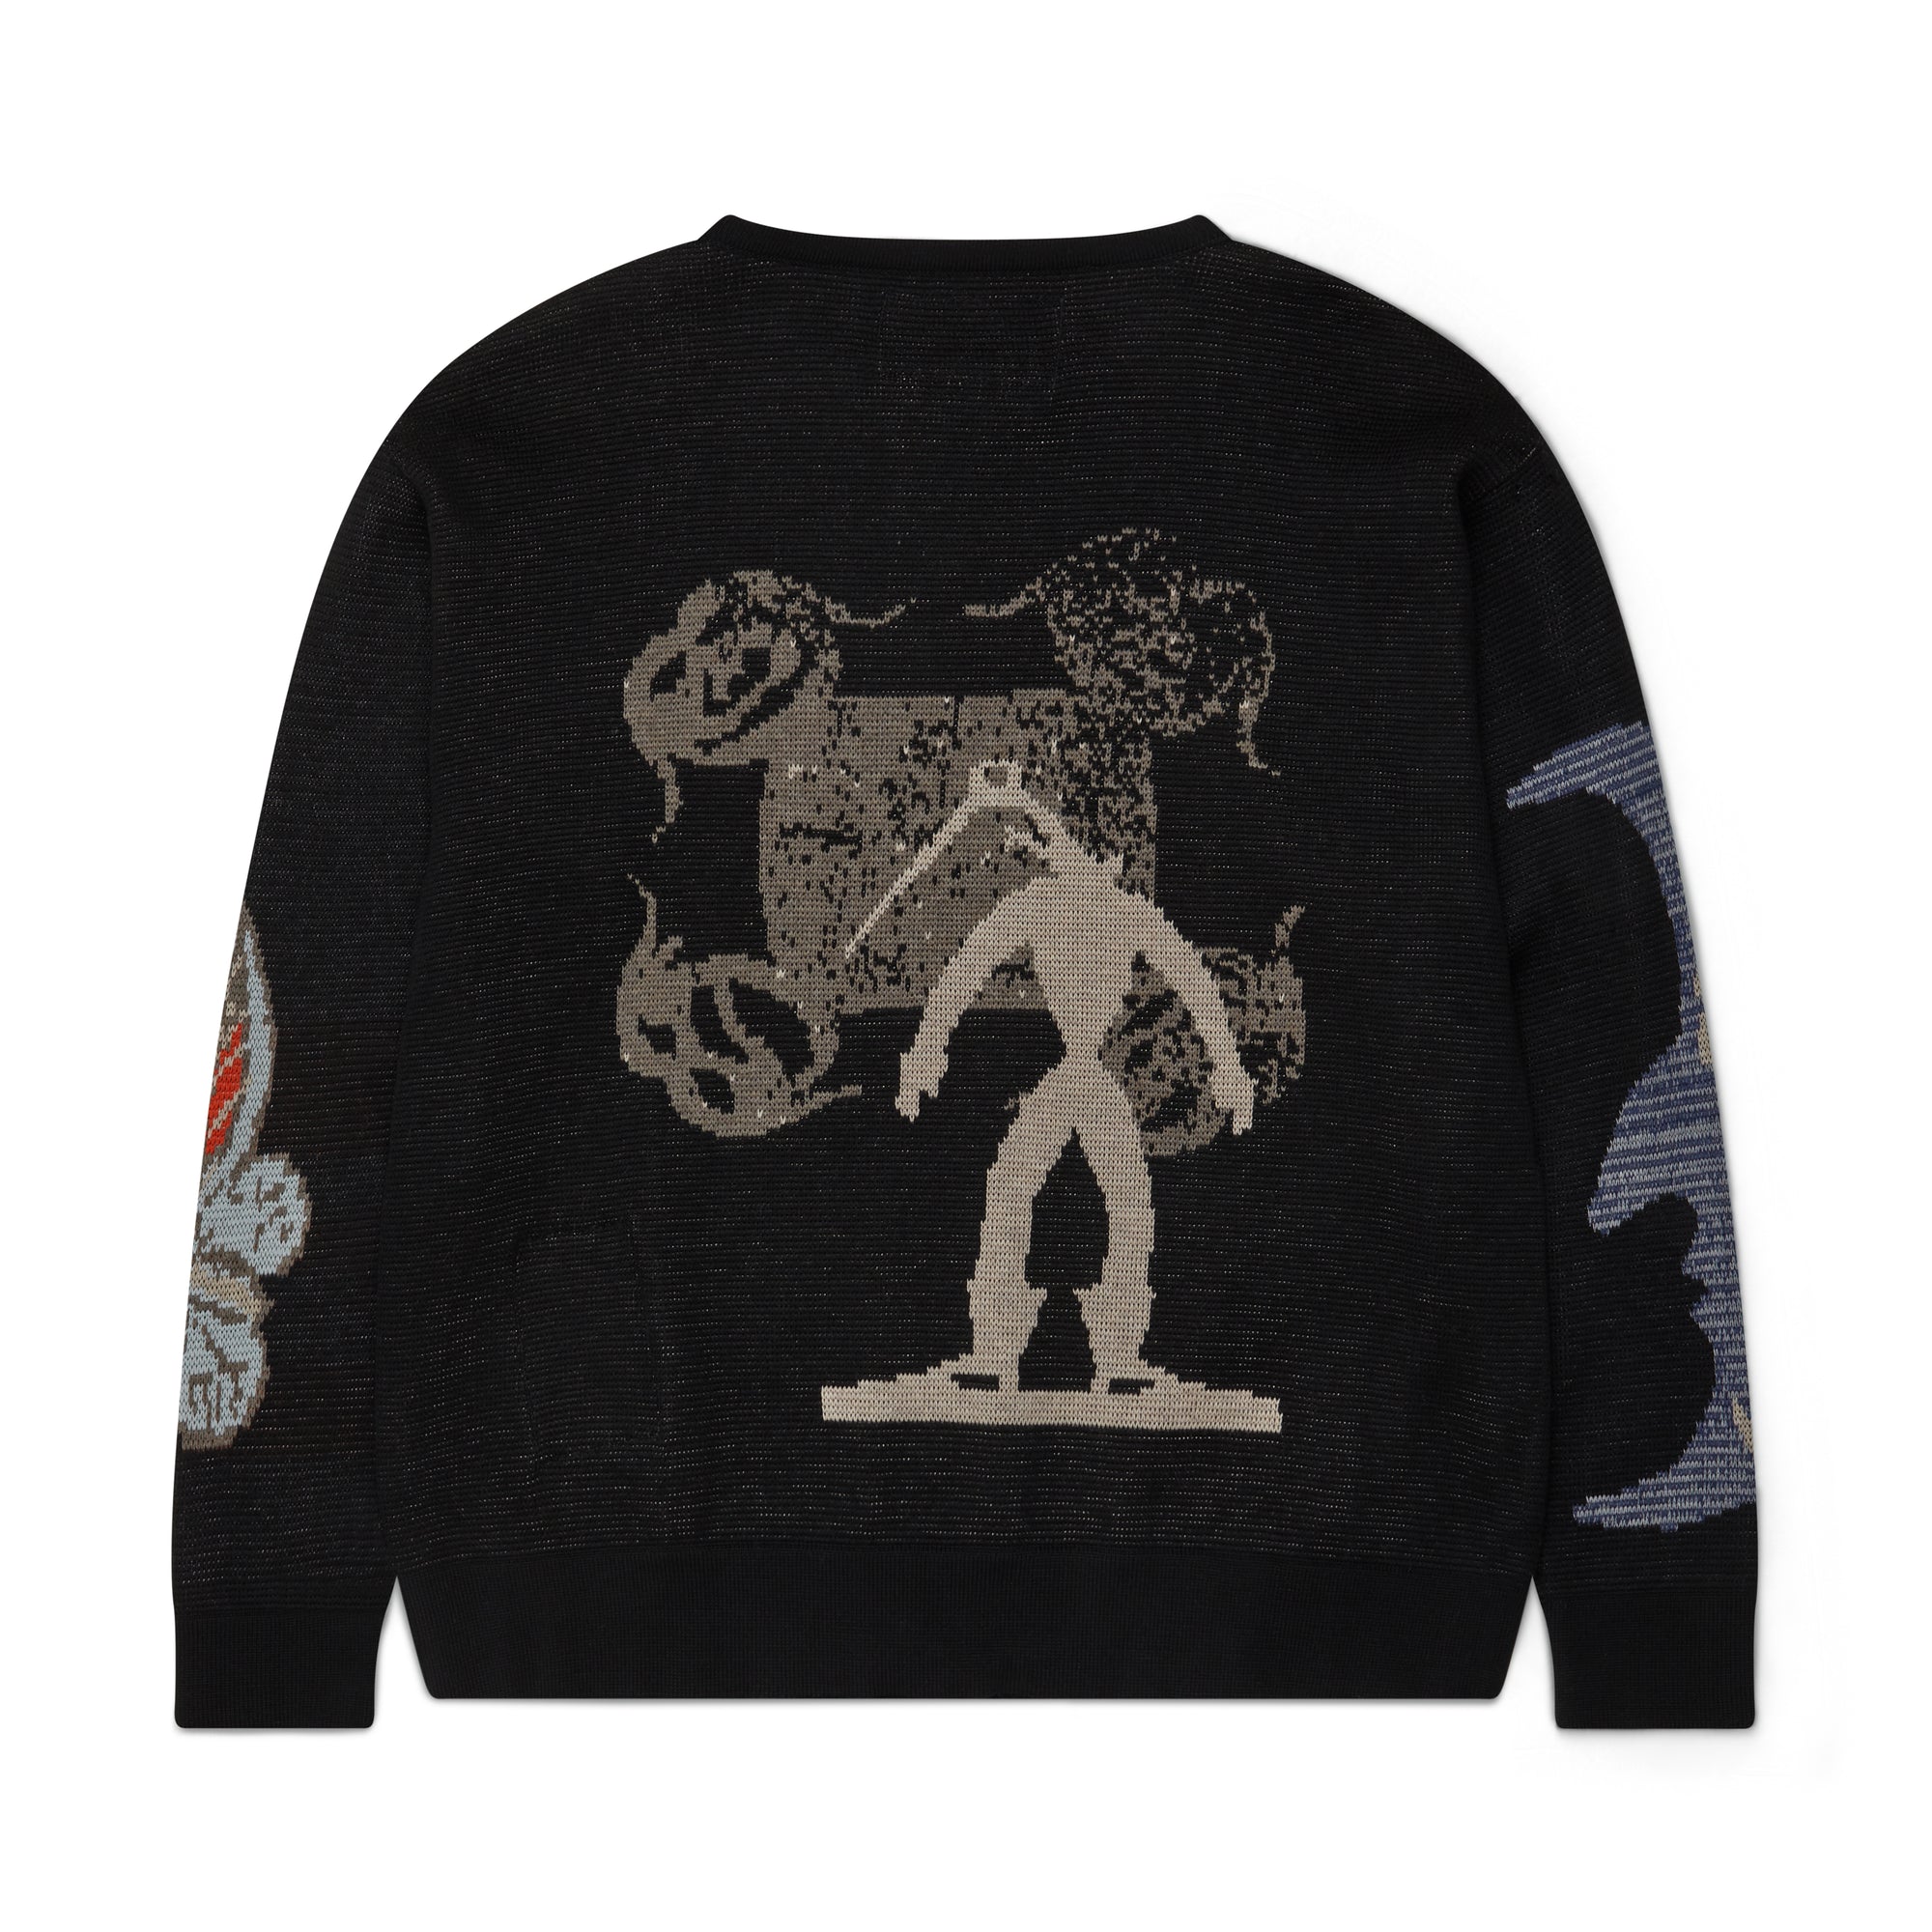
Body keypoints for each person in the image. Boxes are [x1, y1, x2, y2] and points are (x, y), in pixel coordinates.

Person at [863, 762, 1256, 1397]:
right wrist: (924, 1053)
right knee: (1022, 1190)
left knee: (1120, 1201)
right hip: (1067, 1074)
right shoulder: (1040, 905)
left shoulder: (1123, 913)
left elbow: (1193, 983)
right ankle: (1000, 1347)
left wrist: (1231, 1070)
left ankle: (1113, 1352)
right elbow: (964, 973)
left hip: (1089, 1076)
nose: (1073, 856)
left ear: (1113, 860)